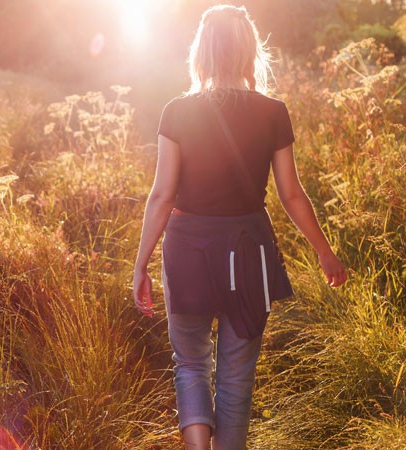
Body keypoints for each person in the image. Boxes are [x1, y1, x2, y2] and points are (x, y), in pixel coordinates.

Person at [132, 5, 347, 450]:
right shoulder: (273, 112)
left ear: (202, 53)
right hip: (251, 253)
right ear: (249, 51)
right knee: (235, 377)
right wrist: (324, 251)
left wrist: (140, 264)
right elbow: (291, 194)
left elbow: (161, 196)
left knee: (189, 364)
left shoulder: (176, 111)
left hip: (188, 249)